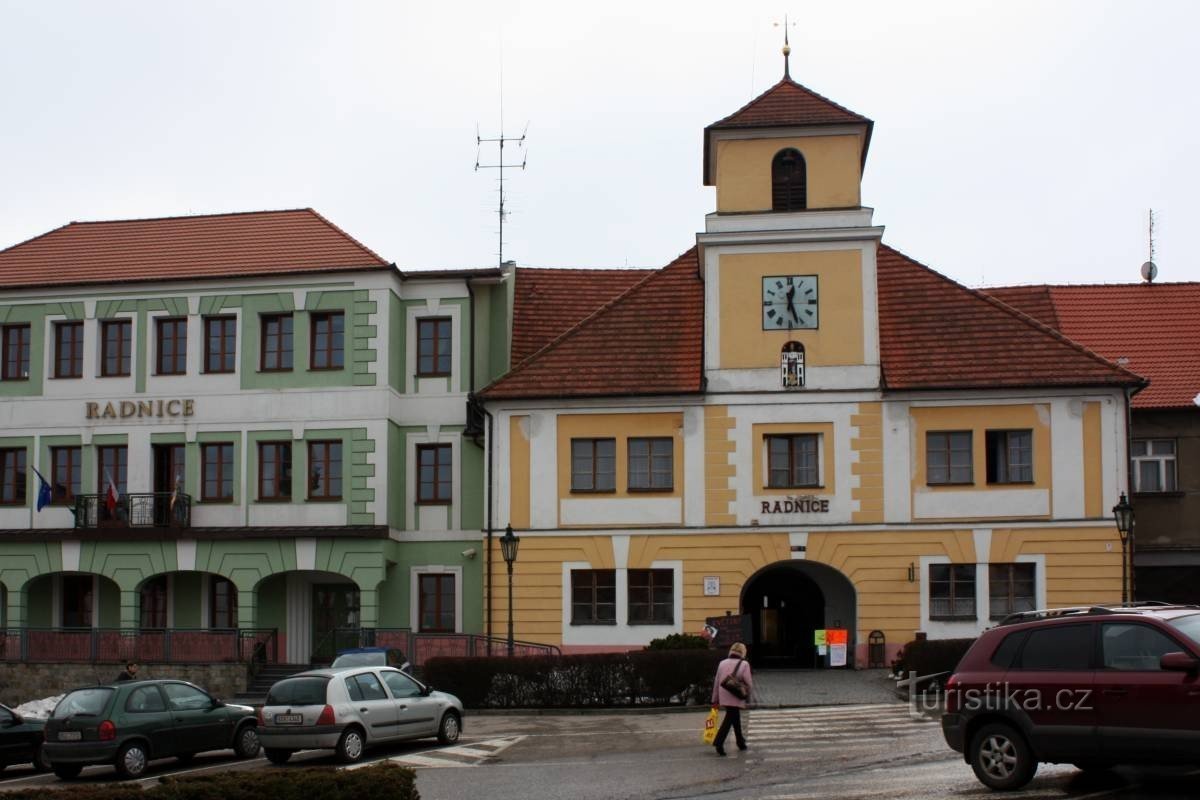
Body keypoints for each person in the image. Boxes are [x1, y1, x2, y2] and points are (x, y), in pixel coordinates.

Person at [711, 642, 753, 756]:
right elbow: (748, 683)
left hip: (724, 694)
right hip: (736, 694)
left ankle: (740, 742)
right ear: (743, 652)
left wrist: (715, 698)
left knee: (735, 717)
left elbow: (717, 681)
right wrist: (749, 696)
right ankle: (719, 742)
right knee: (730, 718)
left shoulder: (722, 663)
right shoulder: (744, 664)